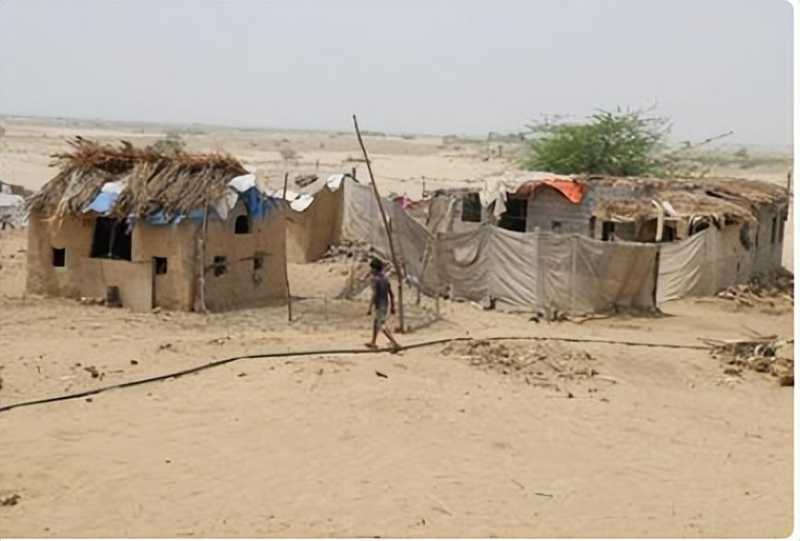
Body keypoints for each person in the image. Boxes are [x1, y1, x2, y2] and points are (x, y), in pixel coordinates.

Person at [366, 257, 401, 351]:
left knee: (382, 325)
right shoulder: (385, 279)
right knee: (376, 322)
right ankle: (373, 342)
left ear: (375, 269)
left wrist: (369, 308)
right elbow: (391, 294)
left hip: (379, 304)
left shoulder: (375, 279)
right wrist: (392, 306)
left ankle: (395, 343)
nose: (371, 270)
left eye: (372, 268)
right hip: (385, 304)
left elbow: (374, 294)